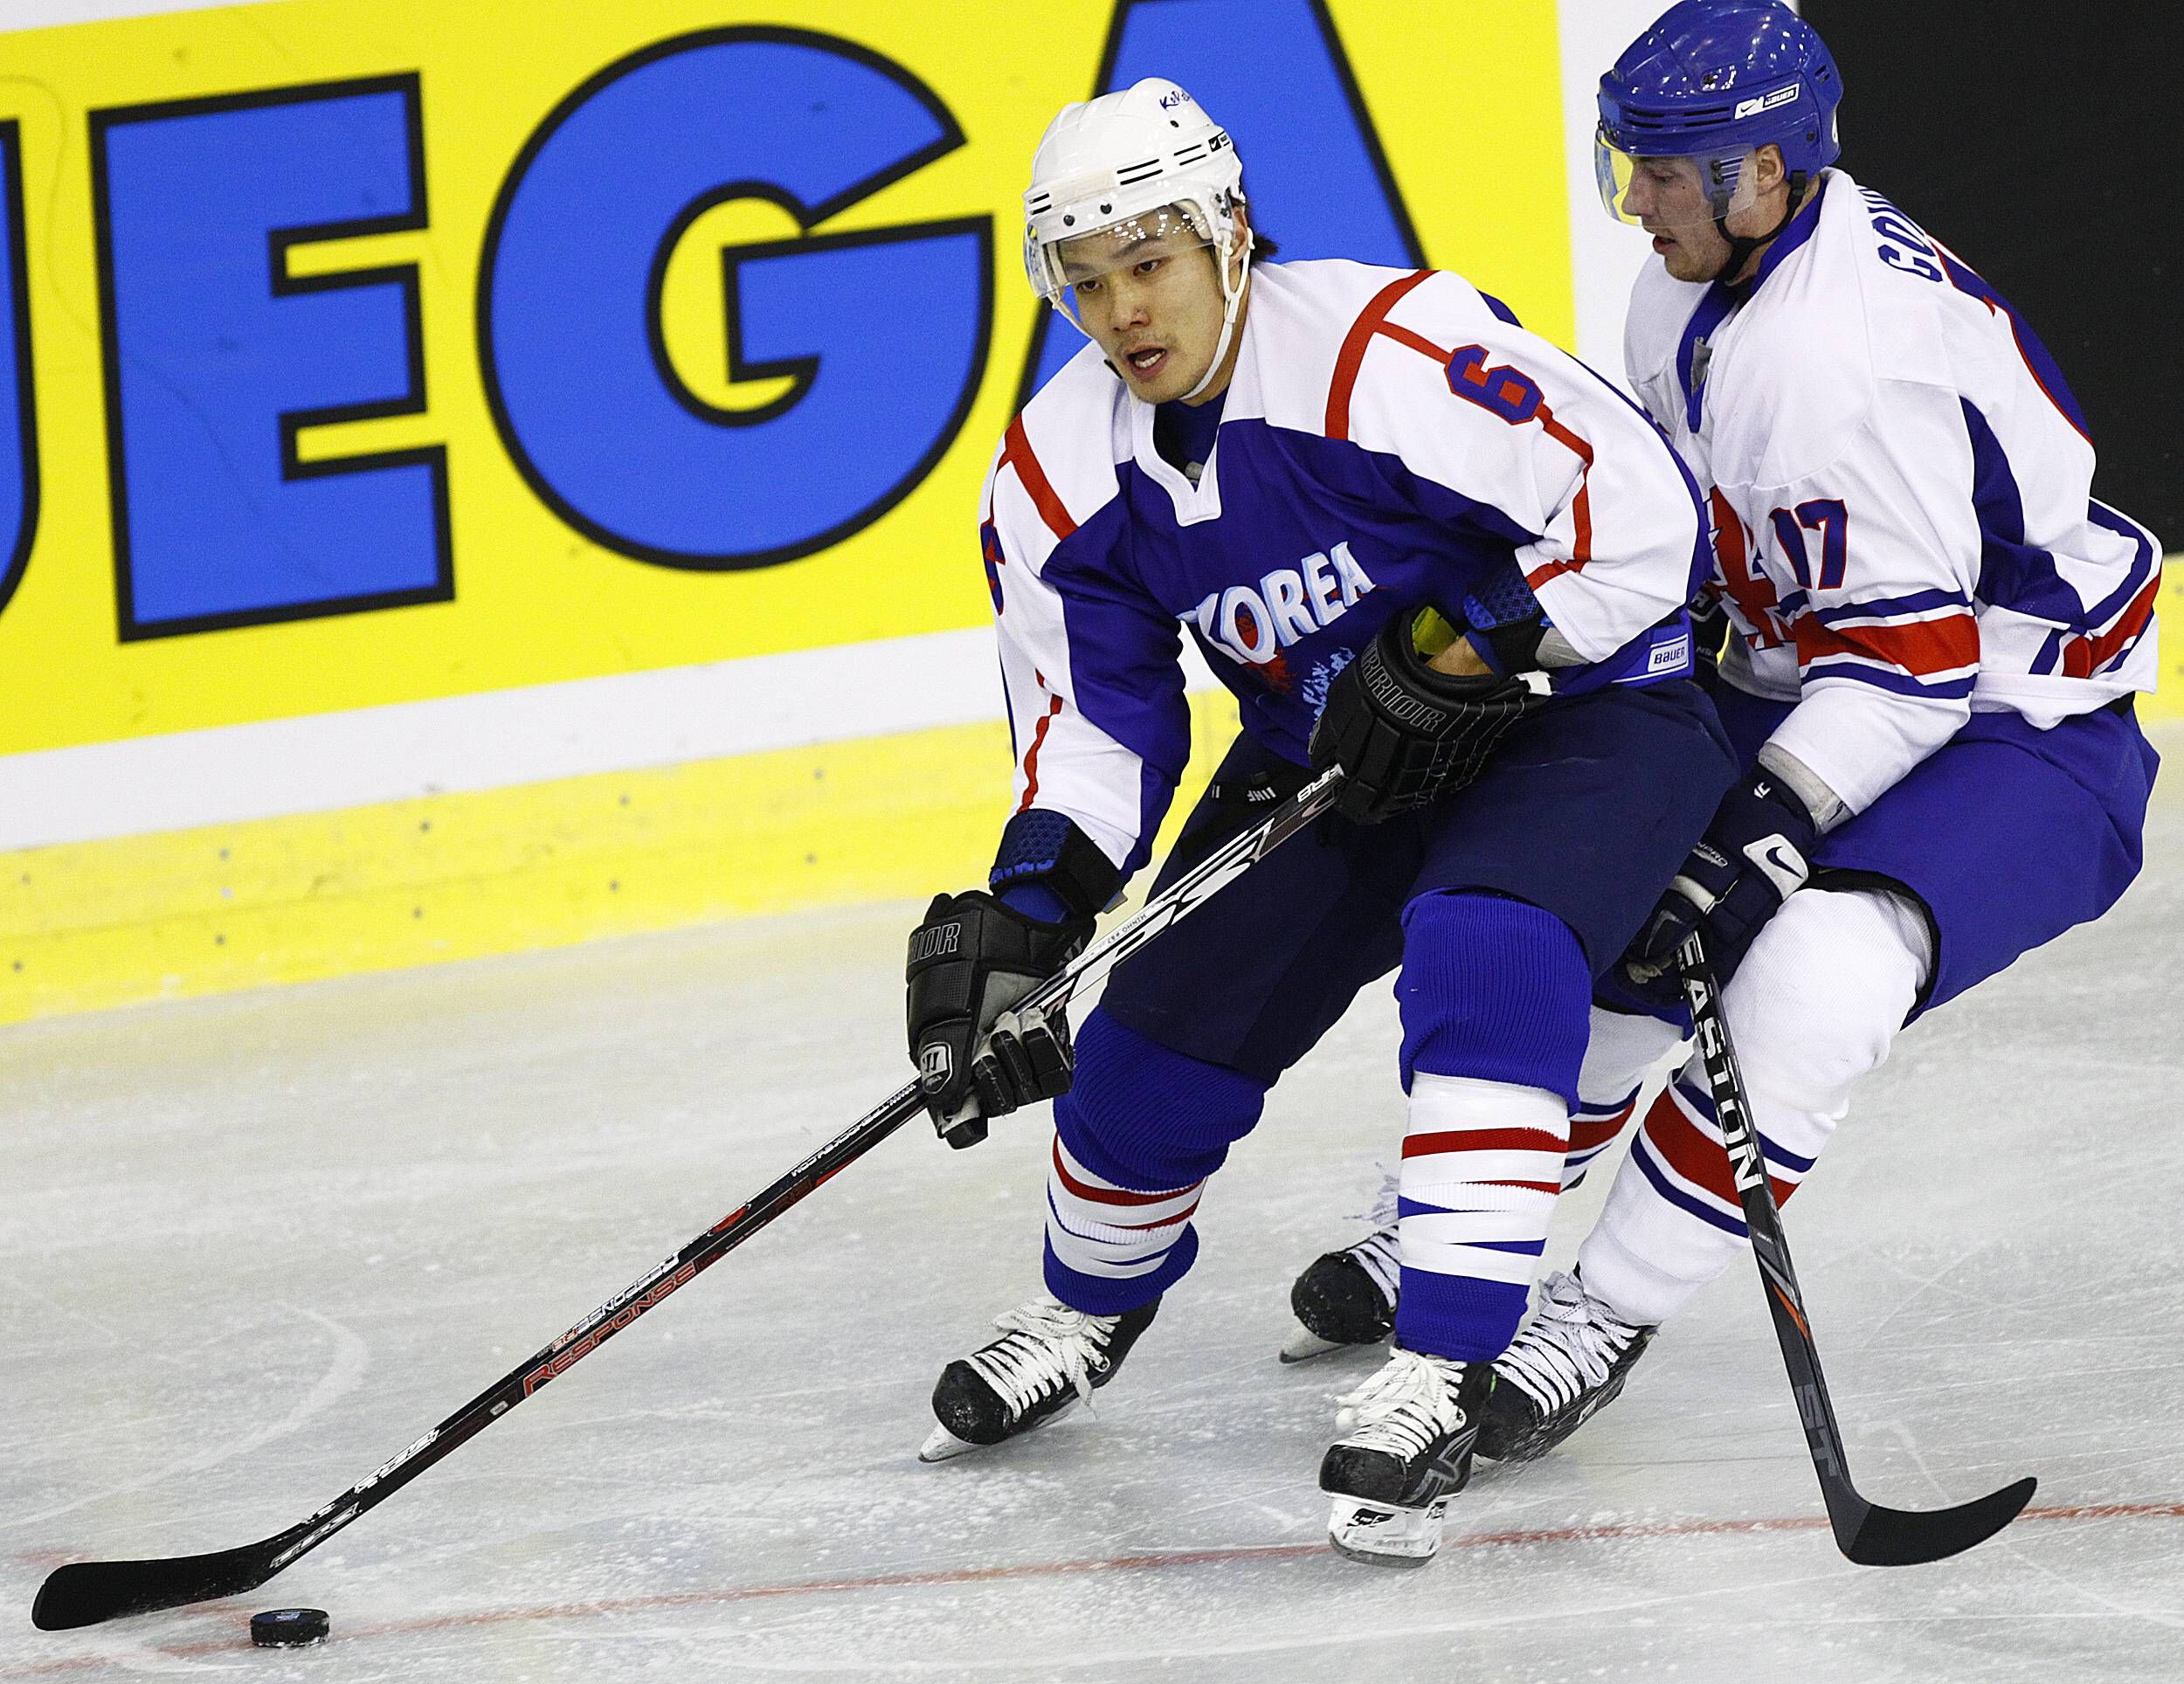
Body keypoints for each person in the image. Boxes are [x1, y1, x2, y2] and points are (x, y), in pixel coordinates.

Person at [1284, 0, 2160, 1465]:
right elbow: (1684, 537)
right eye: (1627, 162)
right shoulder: (1688, 289)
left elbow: (1918, 664)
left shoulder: (1846, 366)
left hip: (2024, 717)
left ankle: (1605, 1311)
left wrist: (1774, 823)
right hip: (1809, 671)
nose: (1634, 202)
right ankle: (1468, 1227)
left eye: (1666, 172)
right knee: (1622, 913)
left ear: (1768, 174)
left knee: (1813, 970)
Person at [902, 74, 1735, 1567]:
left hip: (1581, 716)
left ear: (1229, 234)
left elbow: (1639, 513)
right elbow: (1099, 721)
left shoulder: (1383, 348)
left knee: (1485, 961)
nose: (1121, 312)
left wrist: (1457, 645)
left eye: (1147, 263)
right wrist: (1033, 904)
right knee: (1153, 1045)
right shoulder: (1054, 471)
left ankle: (1442, 1361)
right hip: (1334, 759)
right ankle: (1086, 1312)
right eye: (1084, 284)